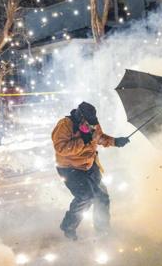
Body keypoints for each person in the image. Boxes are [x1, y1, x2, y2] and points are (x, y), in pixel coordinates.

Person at [51, 101, 130, 241]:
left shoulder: (93, 123)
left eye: (94, 123)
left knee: (102, 197)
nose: (93, 126)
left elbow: (99, 137)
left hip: (89, 164)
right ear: (80, 117)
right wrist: (83, 141)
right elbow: (61, 149)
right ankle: (68, 227)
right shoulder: (64, 125)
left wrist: (115, 141)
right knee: (85, 196)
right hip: (69, 168)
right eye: (89, 124)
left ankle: (103, 231)